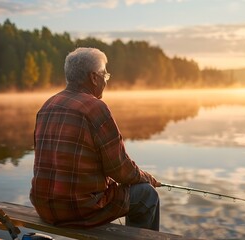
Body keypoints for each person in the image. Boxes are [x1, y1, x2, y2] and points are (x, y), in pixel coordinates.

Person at [30, 47, 161, 231]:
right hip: (78, 210)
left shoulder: (47, 106)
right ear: (94, 77)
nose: (106, 81)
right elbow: (120, 169)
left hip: (43, 206)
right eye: (105, 75)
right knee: (147, 195)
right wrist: (146, 178)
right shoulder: (95, 108)